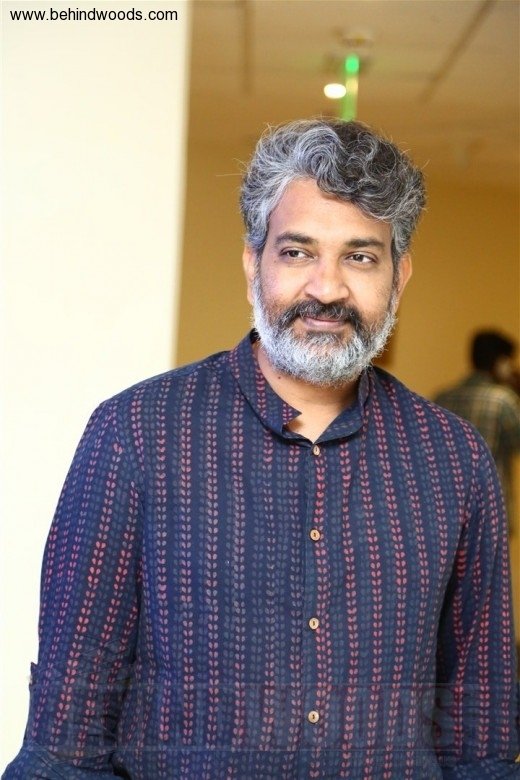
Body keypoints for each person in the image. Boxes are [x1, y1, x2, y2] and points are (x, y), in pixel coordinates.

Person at [4, 120, 519, 779]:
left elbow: (481, 739)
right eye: (298, 252)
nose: (327, 289)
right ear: (254, 264)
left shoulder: (455, 460)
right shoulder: (135, 434)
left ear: (400, 276)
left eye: (360, 257)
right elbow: (64, 746)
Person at [435, 331, 520, 524]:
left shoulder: (442, 398)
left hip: (445, 506)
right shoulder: (503, 400)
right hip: (489, 510)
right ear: (501, 363)